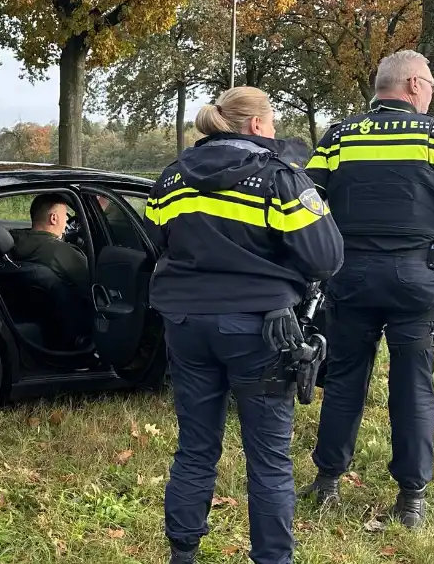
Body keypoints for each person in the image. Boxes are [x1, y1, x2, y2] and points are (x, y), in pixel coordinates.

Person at [144, 87, 344, 564]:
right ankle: (273, 558)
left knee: (194, 446)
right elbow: (327, 257)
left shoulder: (172, 178)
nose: (274, 131)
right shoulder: (281, 179)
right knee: (269, 458)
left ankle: (182, 554)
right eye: (271, 123)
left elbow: (156, 240)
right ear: (256, 125)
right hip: (261, 329)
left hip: (187, 324)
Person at [300, 50, 434, 527]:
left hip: (349, 278)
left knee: (343, 381)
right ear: (415, 85)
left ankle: (327, 480)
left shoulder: (339, 135)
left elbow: (307, 199)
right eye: (433, 85)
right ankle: (411, 498)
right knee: (413, 387)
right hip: (417, 283)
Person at [8, 193, 89, 290]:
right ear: (53, 218)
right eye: (65, 215)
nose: (67, 219)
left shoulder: (11, 243)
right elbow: (95, 285)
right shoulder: (63, 252)